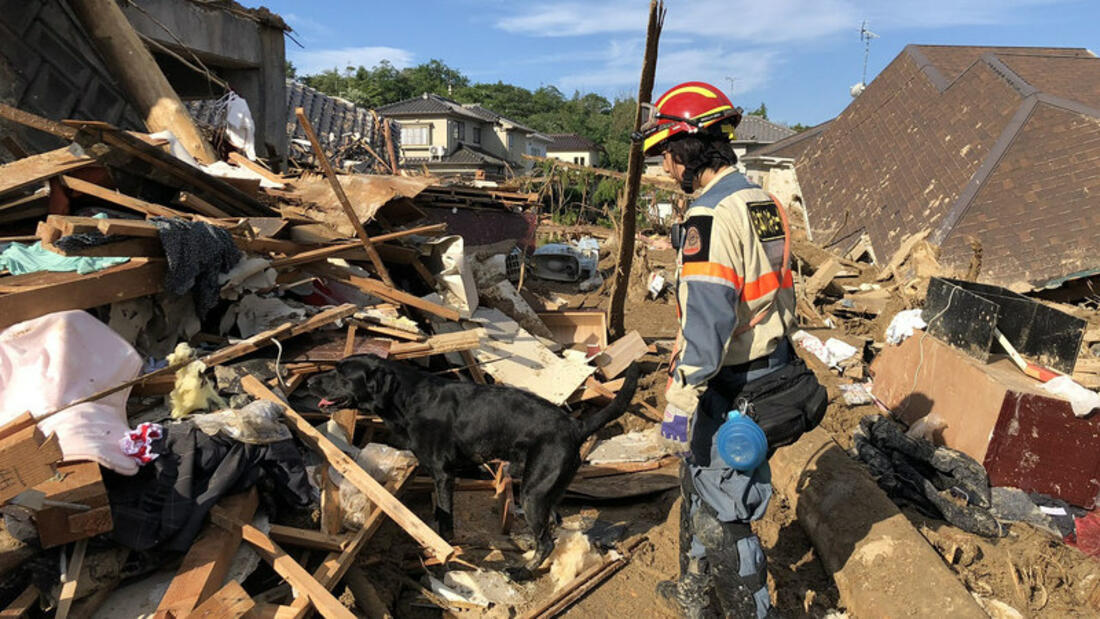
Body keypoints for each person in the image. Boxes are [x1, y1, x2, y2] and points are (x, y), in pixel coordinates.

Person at [633, 81, 824, 618]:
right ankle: (695, 595)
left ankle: (748, 610)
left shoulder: (709, 218)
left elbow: (708, 324)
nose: (665, 167)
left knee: (724, 512)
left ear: (683, 152)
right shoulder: (759, 199)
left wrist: (677, 406)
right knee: (697, 482)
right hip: (770, 364)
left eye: (666, 155)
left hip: (733, 383)